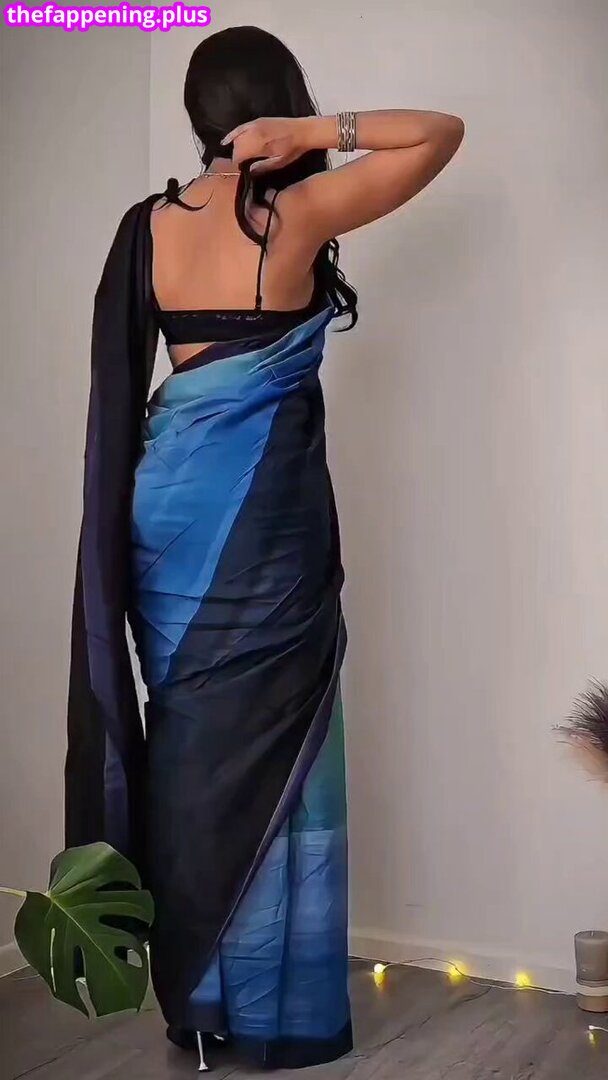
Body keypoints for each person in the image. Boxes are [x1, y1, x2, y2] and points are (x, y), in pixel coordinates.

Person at [66, 24, 464, 1073]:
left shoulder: (148, 225)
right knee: (284, 745)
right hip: (262, 522)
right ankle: (274, 1008)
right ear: (274, 104)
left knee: (188, 743)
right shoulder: (294, 214)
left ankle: (198, 1008)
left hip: (167, 509)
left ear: (197, 116)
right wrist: (316, 133)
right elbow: (439, 132)